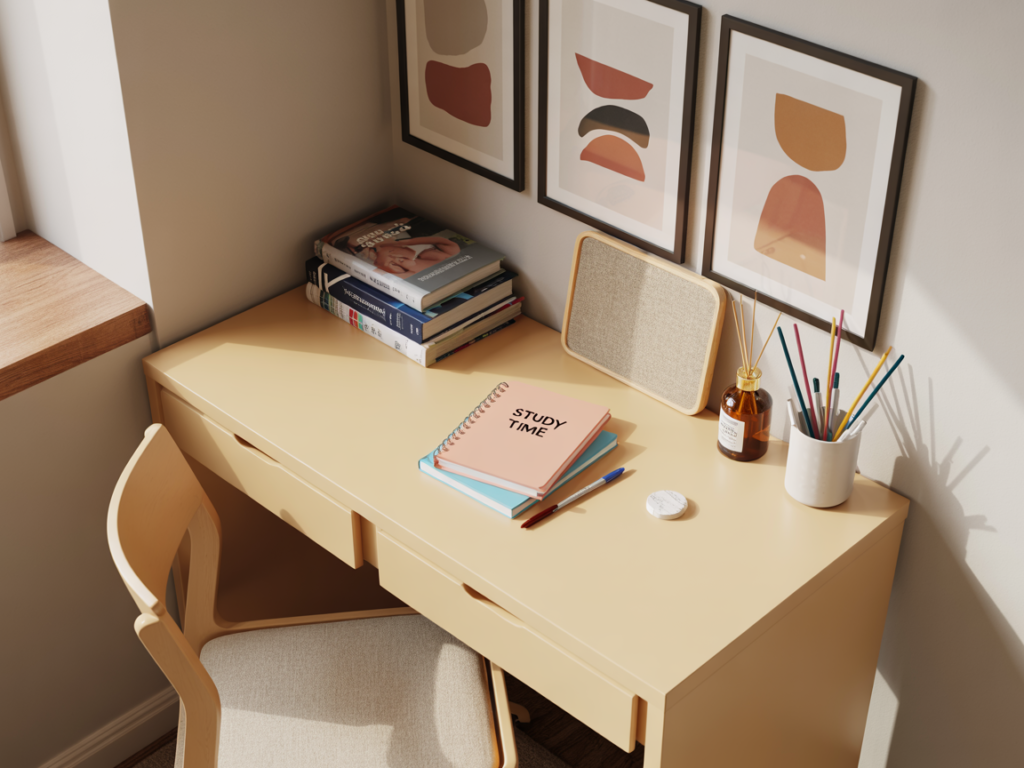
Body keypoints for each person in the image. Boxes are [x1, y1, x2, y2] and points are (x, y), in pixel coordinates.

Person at [328, 213, 461, 275]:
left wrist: (384, 258)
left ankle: (358, 246)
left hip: (394, 246)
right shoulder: (452, 252)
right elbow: (438, 240)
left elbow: (384, 270)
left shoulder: (410, 270)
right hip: (411, 236)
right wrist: (401, 242)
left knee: (354, 244)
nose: (399, 261)